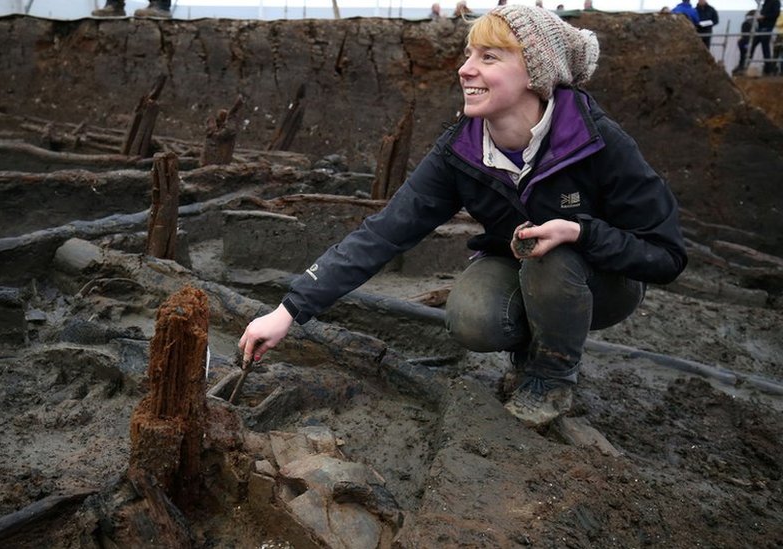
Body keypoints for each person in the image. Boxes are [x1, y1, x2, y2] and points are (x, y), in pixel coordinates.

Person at [238, 5, 687, 428]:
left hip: (603, 283)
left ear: (536, 72)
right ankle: (528, 354)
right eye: (469, 54)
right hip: (519, 267)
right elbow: (385, 232)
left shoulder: (599, 142)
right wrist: (289, 310)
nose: (466, 68)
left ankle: (552, 379)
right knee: (472, 315)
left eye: (488, 57)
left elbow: (666, 255)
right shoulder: (462, 151)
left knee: (553, 253)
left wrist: (581, 231)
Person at [751, 0, 781, 75]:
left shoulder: (775, 2)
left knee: (765, 48)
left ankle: (768, 68)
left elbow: (776, 13)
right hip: (761, 27)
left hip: (767, 27)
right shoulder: (766, 3)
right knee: (752, 45)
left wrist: (764, 16)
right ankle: (746, 62)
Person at [734, 9, 757, 75]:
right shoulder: (749, 23)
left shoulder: (748, 22)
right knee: (745, 55)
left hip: (744, 42)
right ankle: (742, 68)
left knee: (744, 56)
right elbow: (746, 35)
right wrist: (748, 44)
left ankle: (742, 68)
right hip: (745, 42)